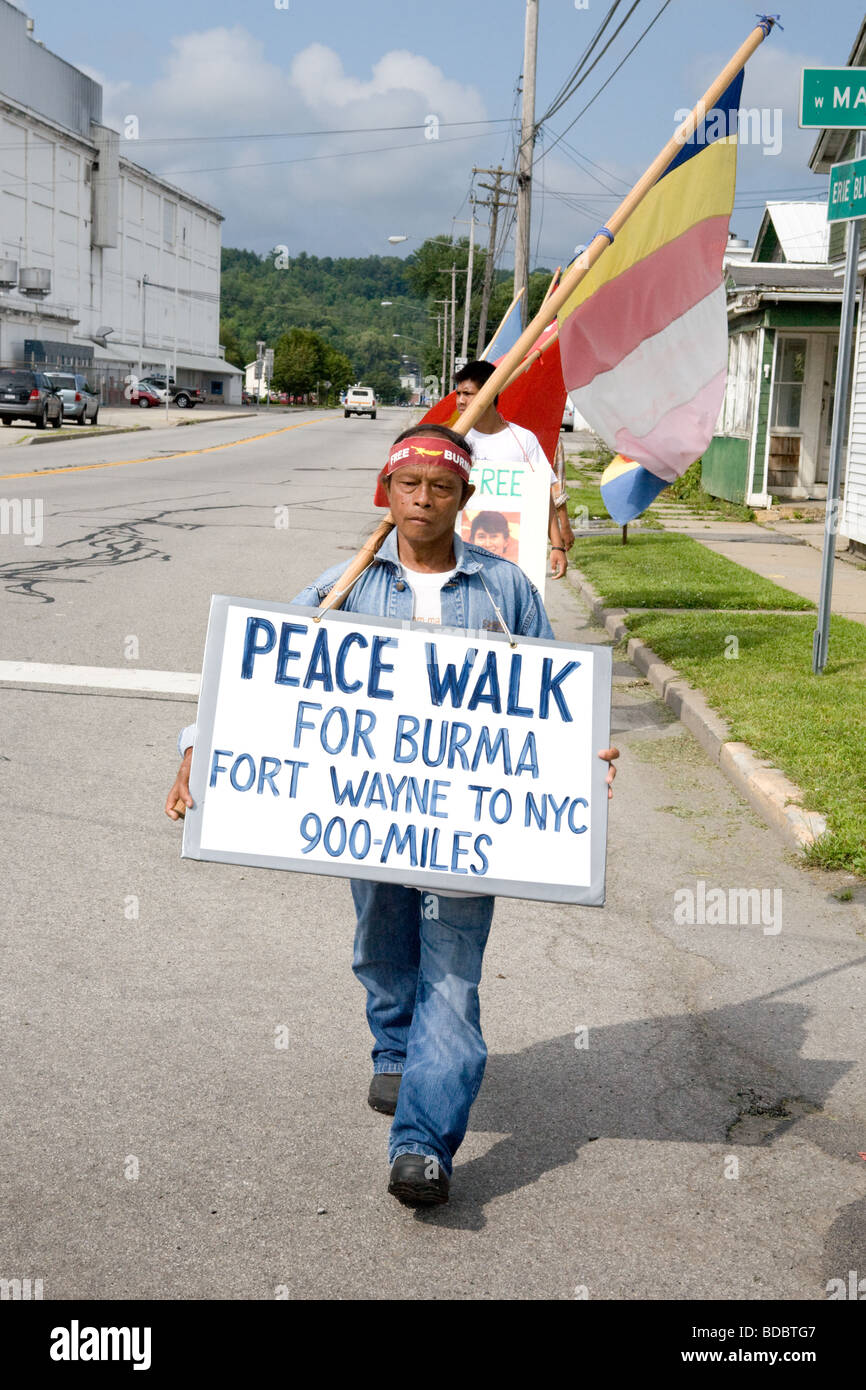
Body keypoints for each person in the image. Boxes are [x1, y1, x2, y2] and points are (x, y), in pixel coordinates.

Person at [165, 423, 619, 1208]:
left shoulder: (505, 587)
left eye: (441, 487)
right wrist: (198, 744)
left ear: (465, 498)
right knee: (383, 939)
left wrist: (584, 756)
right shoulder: (344, 581)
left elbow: (554, 695)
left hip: (471, 826)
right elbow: (265, 676)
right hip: (368, 817)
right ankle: (394, 1046)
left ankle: (421, 1146)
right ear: (388, 489)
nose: (423, 499)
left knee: (452, 978)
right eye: (408, 485)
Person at [454, 359, 569, 579]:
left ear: (490, 393)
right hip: (461, 556)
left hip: (513, 562)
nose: (460, 401)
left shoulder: (524, 440)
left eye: (467, 394)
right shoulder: (455, 440)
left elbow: (543, 494)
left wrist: (557, 545)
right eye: (458, 394)